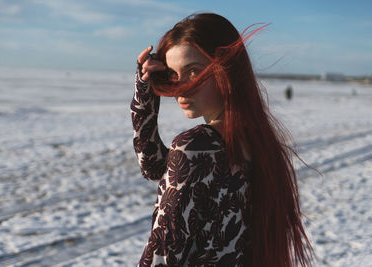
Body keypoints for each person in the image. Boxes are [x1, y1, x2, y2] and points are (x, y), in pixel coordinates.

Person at [131, 13, 314, 267]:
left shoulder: (194, 146)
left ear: (224, 70)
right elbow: (154, 167)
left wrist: (144, 93)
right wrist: (145, 92)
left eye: (193, 72)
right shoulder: (260, 143)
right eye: (172, 75)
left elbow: (161, 256)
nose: (181, 87)